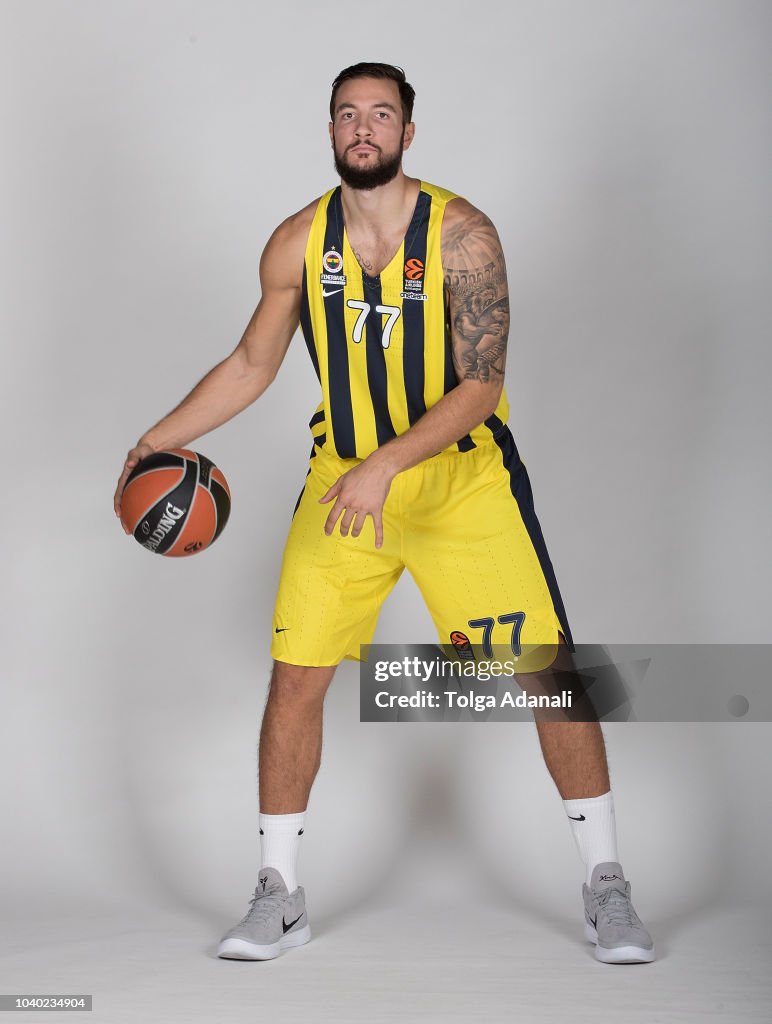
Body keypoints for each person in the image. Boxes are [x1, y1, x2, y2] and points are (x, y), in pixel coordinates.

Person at [114, 62, 655, 966]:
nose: (363, 128)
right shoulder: (295, 242)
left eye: (381, 115)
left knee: (548, 674)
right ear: (330, 130)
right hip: (343, 489)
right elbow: (252, 362)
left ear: (409, 131)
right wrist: (155, 438)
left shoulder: (463, 237)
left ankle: (608, 887)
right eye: (347, 115)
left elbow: (481, 389)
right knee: (296, 677)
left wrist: (388, 464)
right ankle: (277, 895)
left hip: (460, 487)